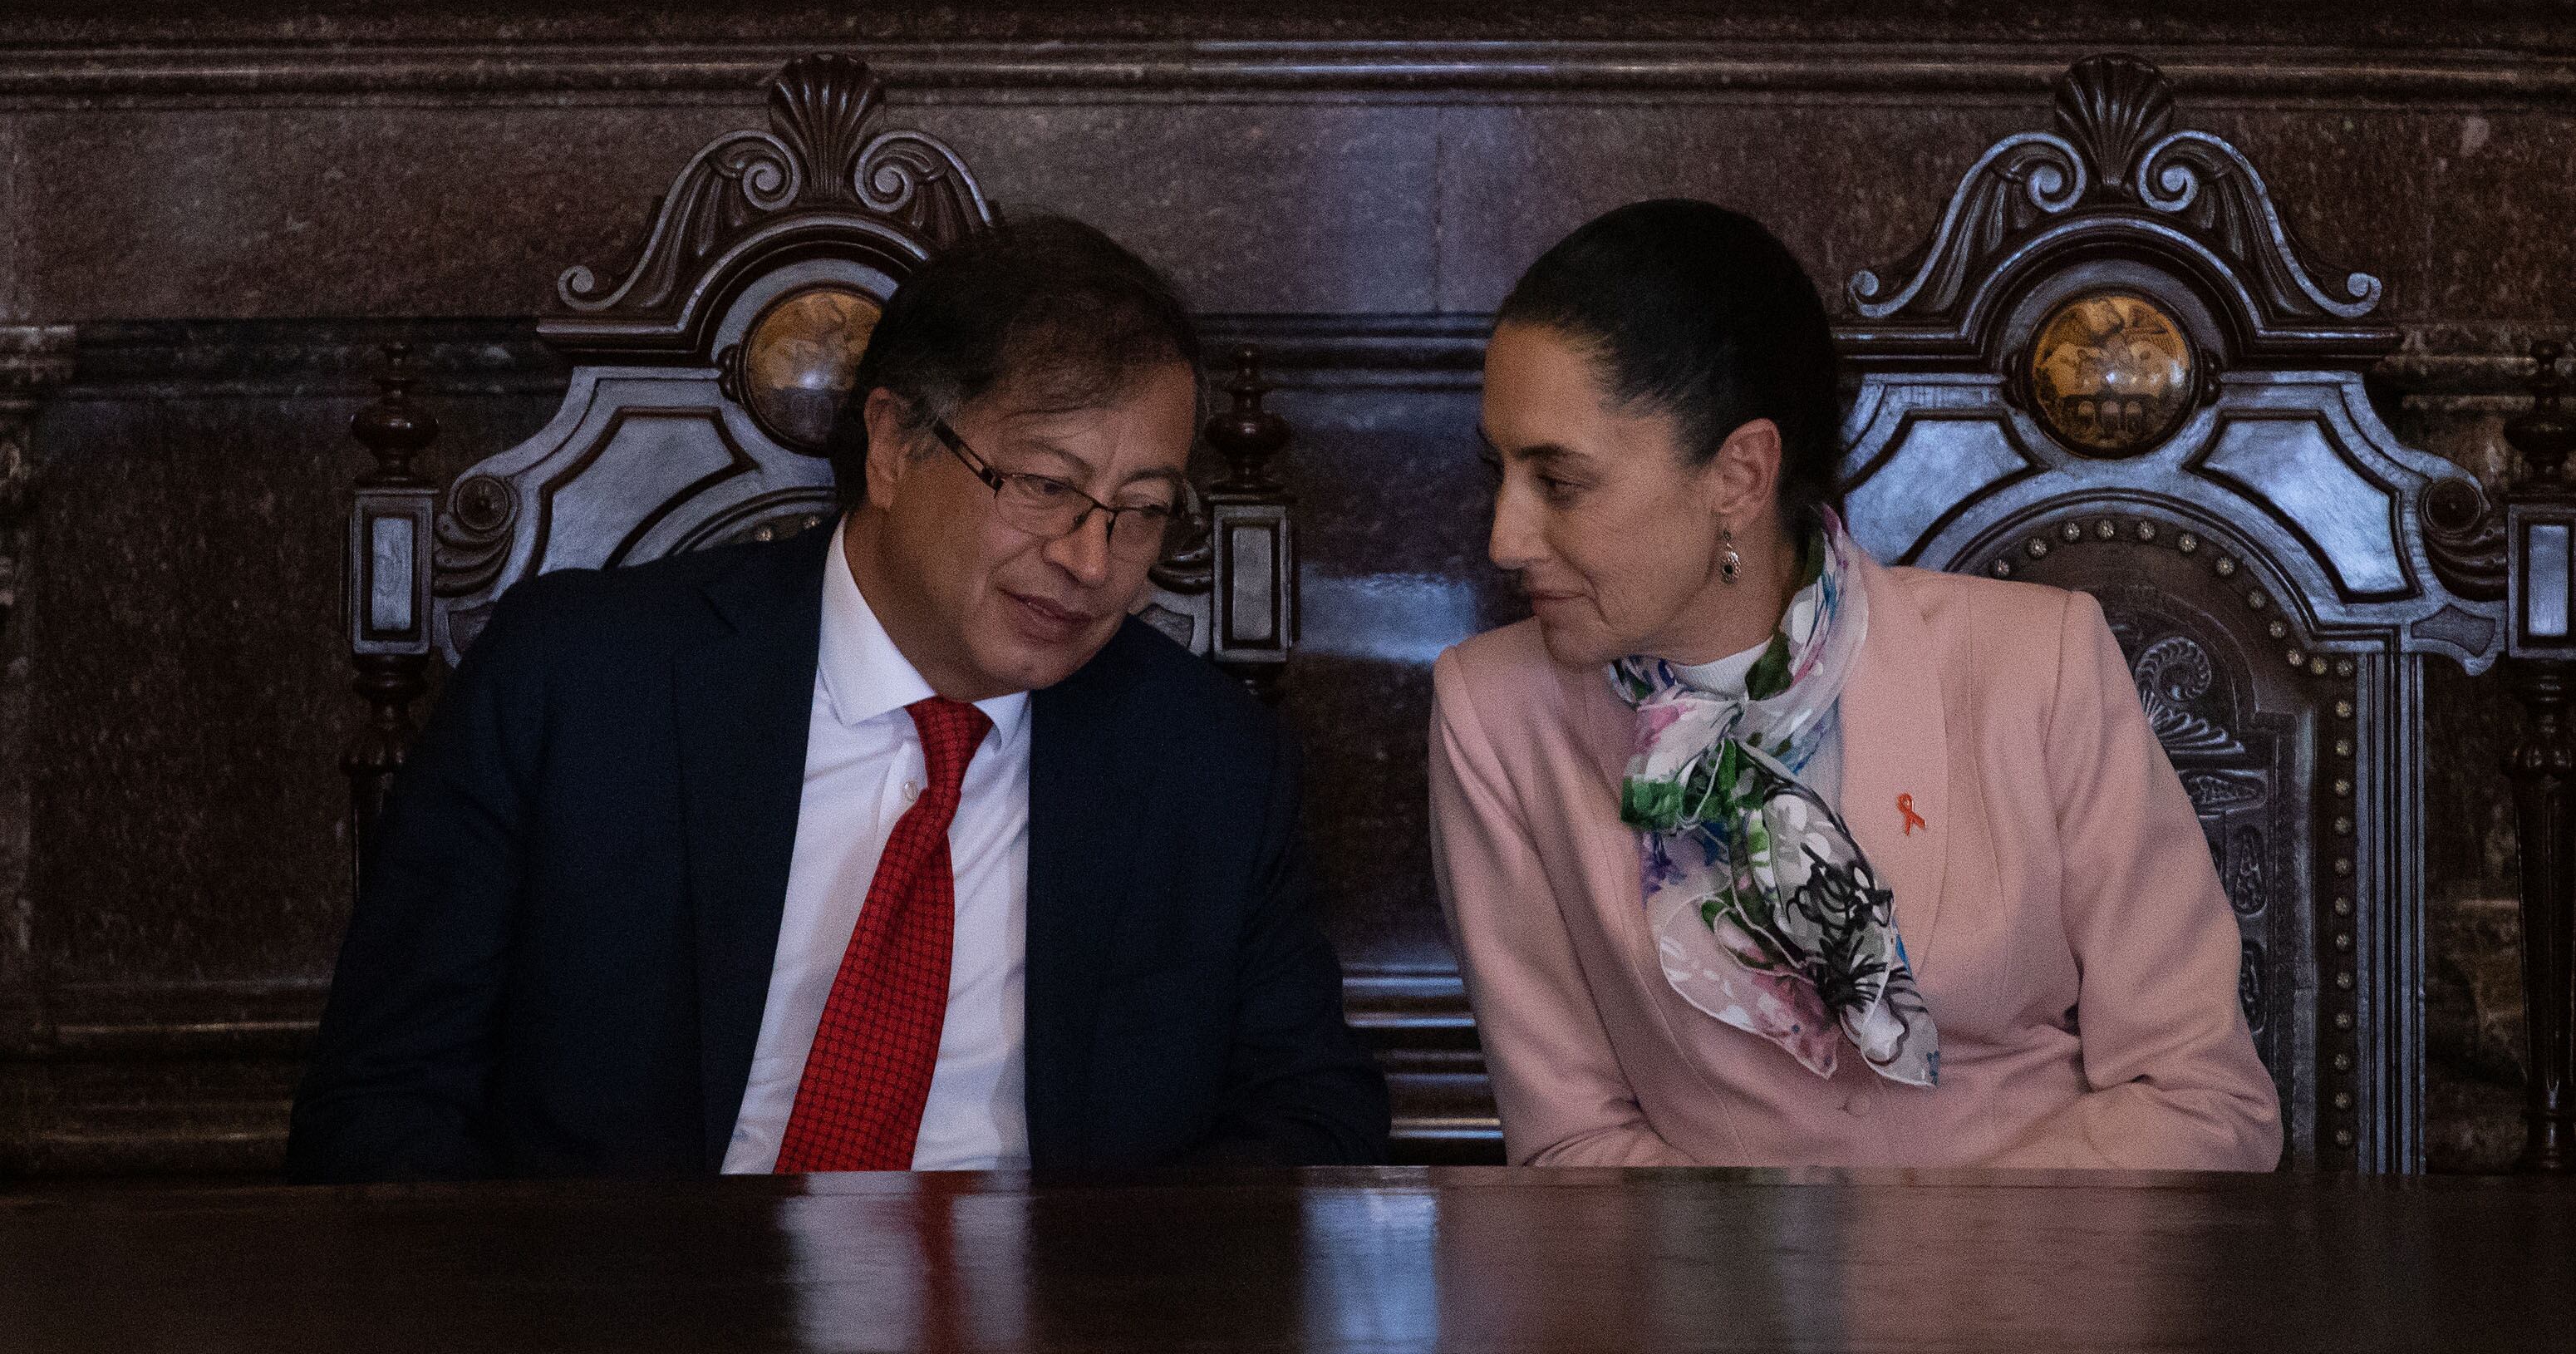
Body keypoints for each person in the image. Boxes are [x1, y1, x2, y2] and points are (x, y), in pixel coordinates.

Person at [290, 218, 1388, 1179]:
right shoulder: (581, 683)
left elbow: (1315, 1115)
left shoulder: (1209, 763)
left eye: (1140, 509)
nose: (1090, 559)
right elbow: (380, 1101)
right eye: (1046, 485)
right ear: (894, 445)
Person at [1429, 199, 2281, 1169]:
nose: (1504, 538)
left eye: (1559, 482)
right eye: (1498, 473)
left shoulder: (2035, 663)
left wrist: (1935, 1254)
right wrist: (1791, 1259)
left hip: (2053, 1254)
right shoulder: (1492, 713)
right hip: (1701, 1268)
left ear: (1739, 475)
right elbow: (1571, 1141)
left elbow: (2202, 1098)